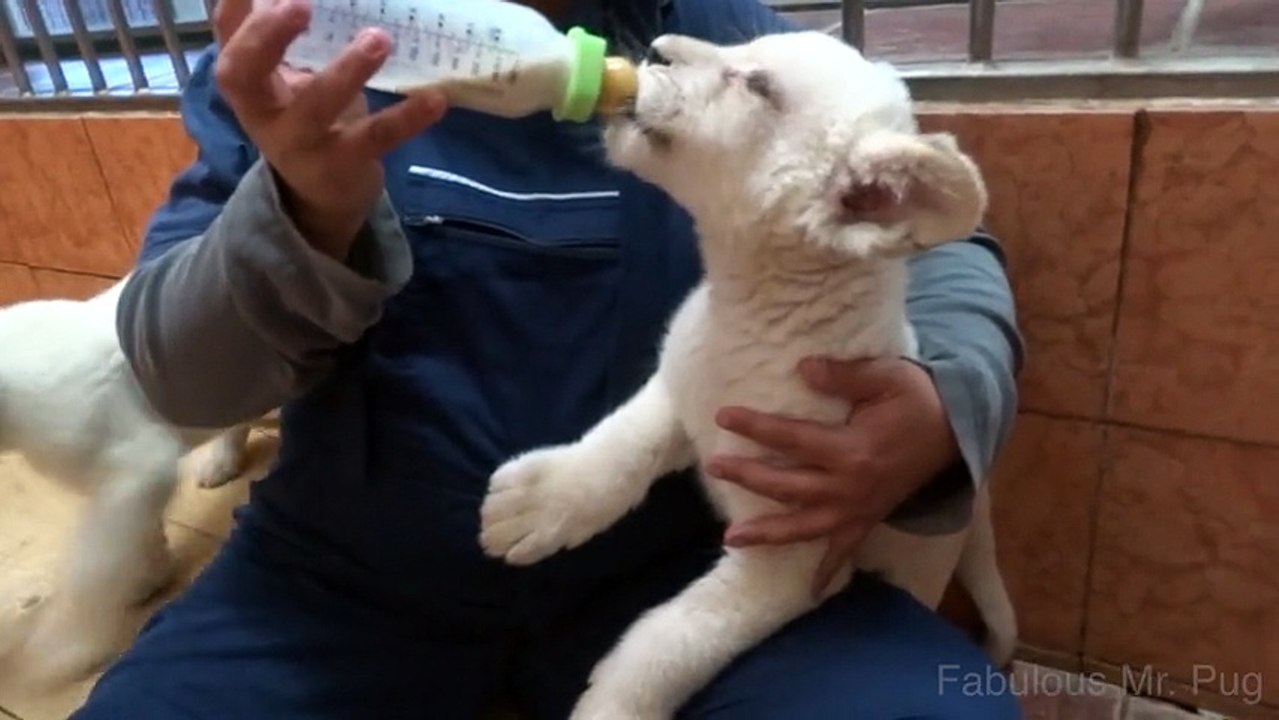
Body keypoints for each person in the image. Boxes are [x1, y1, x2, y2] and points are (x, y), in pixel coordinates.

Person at [70, 0, 1025, 717]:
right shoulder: (311, 52)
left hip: (682, 570)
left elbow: (943, 248)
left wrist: (945, 396)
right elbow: (176, 376)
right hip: (339, 590)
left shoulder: (724, 34)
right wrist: (303, 212)